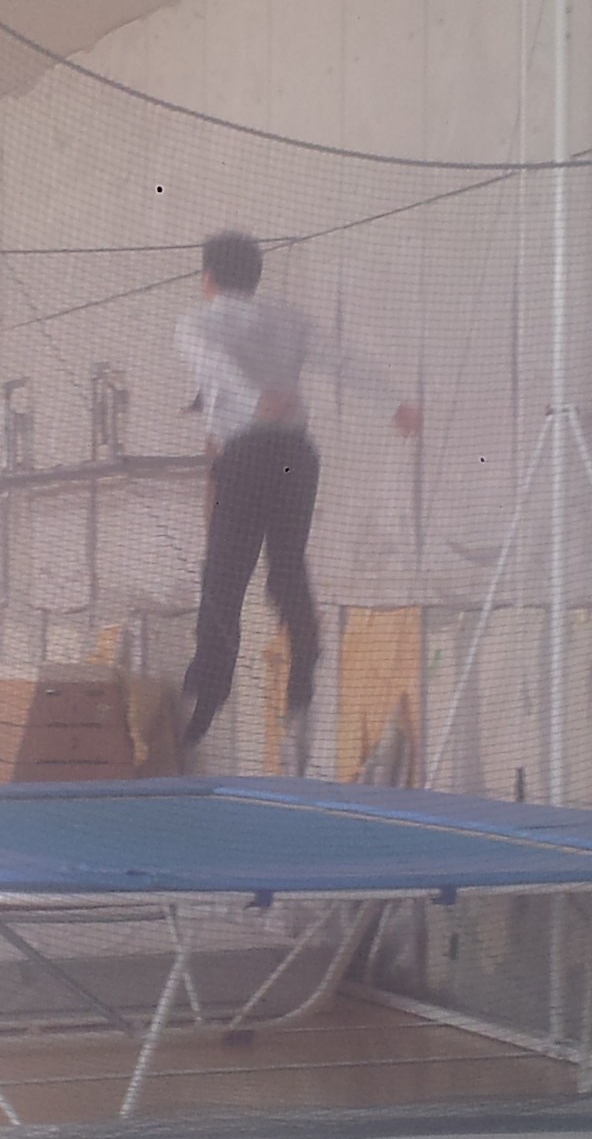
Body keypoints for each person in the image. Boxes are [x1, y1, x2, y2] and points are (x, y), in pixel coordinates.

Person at [172, 231, 415, 772]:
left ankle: (207, 692)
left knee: (225, 574)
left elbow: (214, 364)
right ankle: (303, 680)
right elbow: (343, 359)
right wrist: (394, 402)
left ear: (208, 278)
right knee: (286, 570)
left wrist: (250, 398)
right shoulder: (288, 318)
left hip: (247, 455)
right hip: (297, 458)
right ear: (255, 276)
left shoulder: (197, 322)